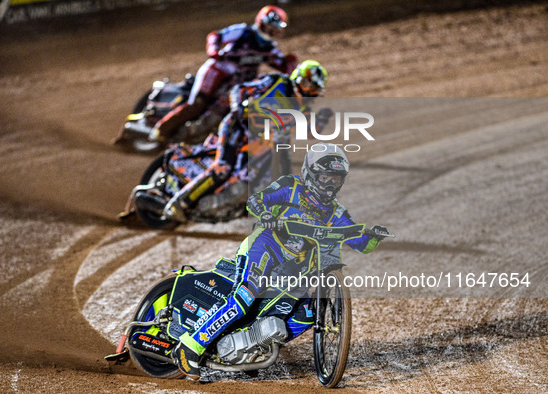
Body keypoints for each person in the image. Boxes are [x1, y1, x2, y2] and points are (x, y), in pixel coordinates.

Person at [171, 143, 390, 379]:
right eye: (325, 177)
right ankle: (191, 345)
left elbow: (360, 243)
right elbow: (256, 200)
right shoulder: (291, 185)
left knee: (309, 313)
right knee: (245, 296)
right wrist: (265, 213)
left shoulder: (336, 213)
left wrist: (373, 237)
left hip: (295, 270)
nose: (329, 185)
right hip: (265, 248)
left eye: (335, 180)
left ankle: (253, 349)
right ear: (311, 173)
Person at [162, 59, 329, 223]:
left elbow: (308, 132)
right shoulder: (275, 81)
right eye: (308, 84)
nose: (309, 90)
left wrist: (321, 121)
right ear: (298, 78)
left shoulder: (303, 108)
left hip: (258, 142)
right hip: (237, 127)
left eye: (314, 88)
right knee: (223, 168)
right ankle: (179, 202)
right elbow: (239, 89)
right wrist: (237, 107)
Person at [149, 5, 298, 145]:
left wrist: (291, 65)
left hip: (235, 83)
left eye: (275, 30)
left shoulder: (270, 48)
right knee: (197, 104)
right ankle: (161, 129)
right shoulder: (243, 31)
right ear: (261, 23)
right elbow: (216, 36)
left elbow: (283, 66)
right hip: (217, 71)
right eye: (270, 28)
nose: (272, 32)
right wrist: (213, 50)